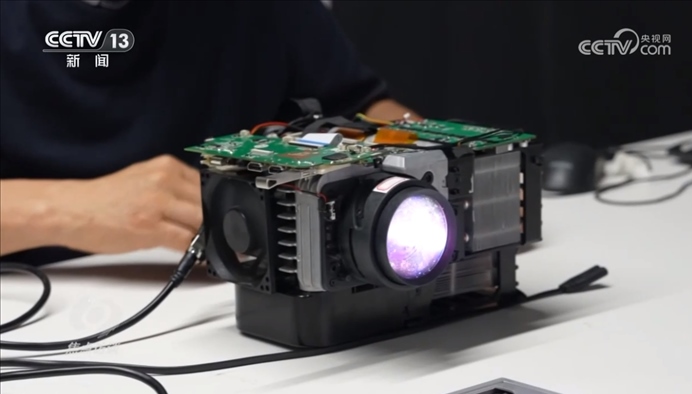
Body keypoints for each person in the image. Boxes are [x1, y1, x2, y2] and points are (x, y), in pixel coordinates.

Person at [0, 0, 420, 266]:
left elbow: (363, 111)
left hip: (234, 293)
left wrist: (432, 159)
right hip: (32, 303)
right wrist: (64, 210)